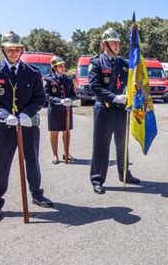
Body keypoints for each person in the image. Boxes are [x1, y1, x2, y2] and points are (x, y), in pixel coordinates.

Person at [0, 31, 53, 223]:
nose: (13, 52)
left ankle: (37, 195)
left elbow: (40, 98)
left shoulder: (33, 72)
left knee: (32, 162)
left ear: (22, 50)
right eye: (9, 49)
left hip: (27, 125)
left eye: (17, 49)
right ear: (3, 50)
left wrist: (26, 113)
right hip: (4, 127)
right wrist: (4, 115)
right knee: (0, 166)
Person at [88, 28, 140, 194]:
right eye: (113, 43)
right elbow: (94, 87)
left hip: (121, 110)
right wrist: (113, 97)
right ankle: (97, 179)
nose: (117, 45)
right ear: (105, 44)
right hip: (105, 109)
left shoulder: (124, 64)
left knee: (122, 144)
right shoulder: (96, 63)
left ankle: (124, 173)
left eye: (118, 43)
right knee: (101, 146)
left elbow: (133, 78)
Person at [44, 55, 77, 165]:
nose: (63, 68)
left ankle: (66, 153)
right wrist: (59, 100)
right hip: (54, 109)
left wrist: (70, 99)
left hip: (67, 110)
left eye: (63, 65)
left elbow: (73, 94)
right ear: (54, 67)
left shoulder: (68, 79)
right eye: (60, 66)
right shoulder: (48, 79)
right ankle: (55, 154)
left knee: (66, 132)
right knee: (54, 133)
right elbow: (46, 95)